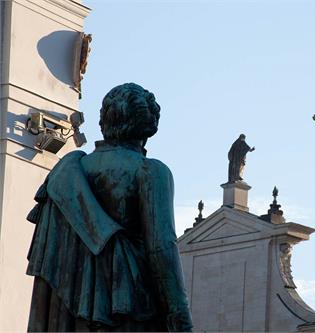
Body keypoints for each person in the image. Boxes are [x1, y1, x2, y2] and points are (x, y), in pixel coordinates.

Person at [26, 83, 193, 331]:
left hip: (72, 316)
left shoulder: (67, 173)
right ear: (147, 129)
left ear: (104, 122)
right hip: (128, 307)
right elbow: (161, 248)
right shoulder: (150, 171)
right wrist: (181, 318)